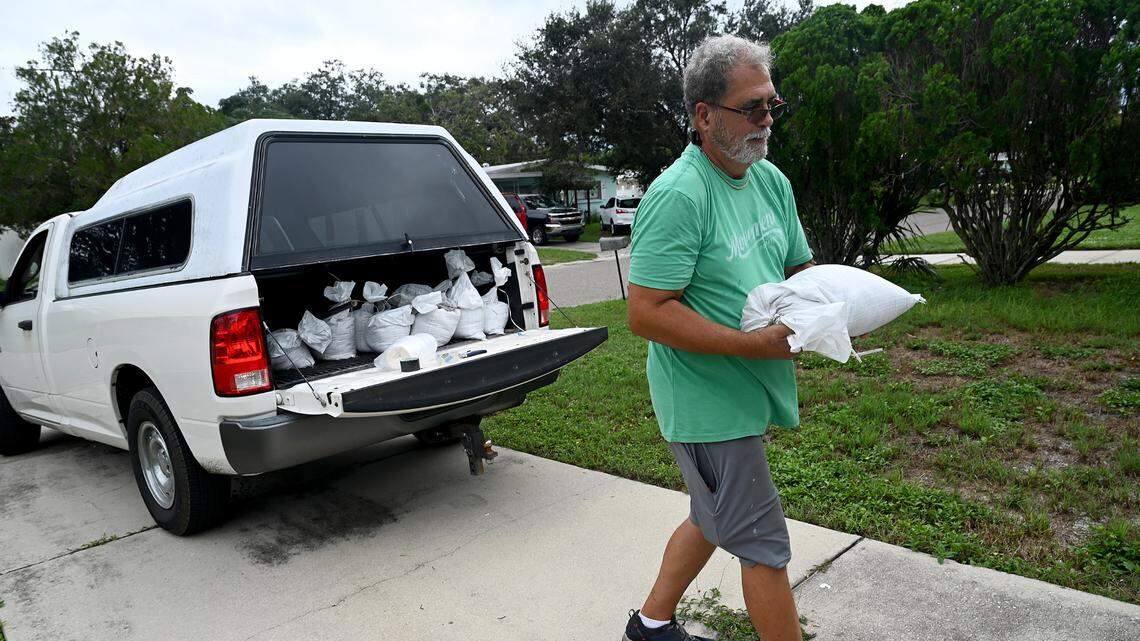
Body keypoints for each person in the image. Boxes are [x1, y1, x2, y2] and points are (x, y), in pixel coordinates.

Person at [622, 34, 814, 641]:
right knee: (762, 543)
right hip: (706, 400)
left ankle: (650, 623)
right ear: (704, 116)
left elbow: (795, 267)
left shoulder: (768, 180)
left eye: (771, 106)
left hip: (749, 384)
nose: (766, 120)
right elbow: (647, 312)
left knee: (711, 514)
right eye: (751, 107)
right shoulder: (678, 195)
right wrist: (753, 345)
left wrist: (832, 304)